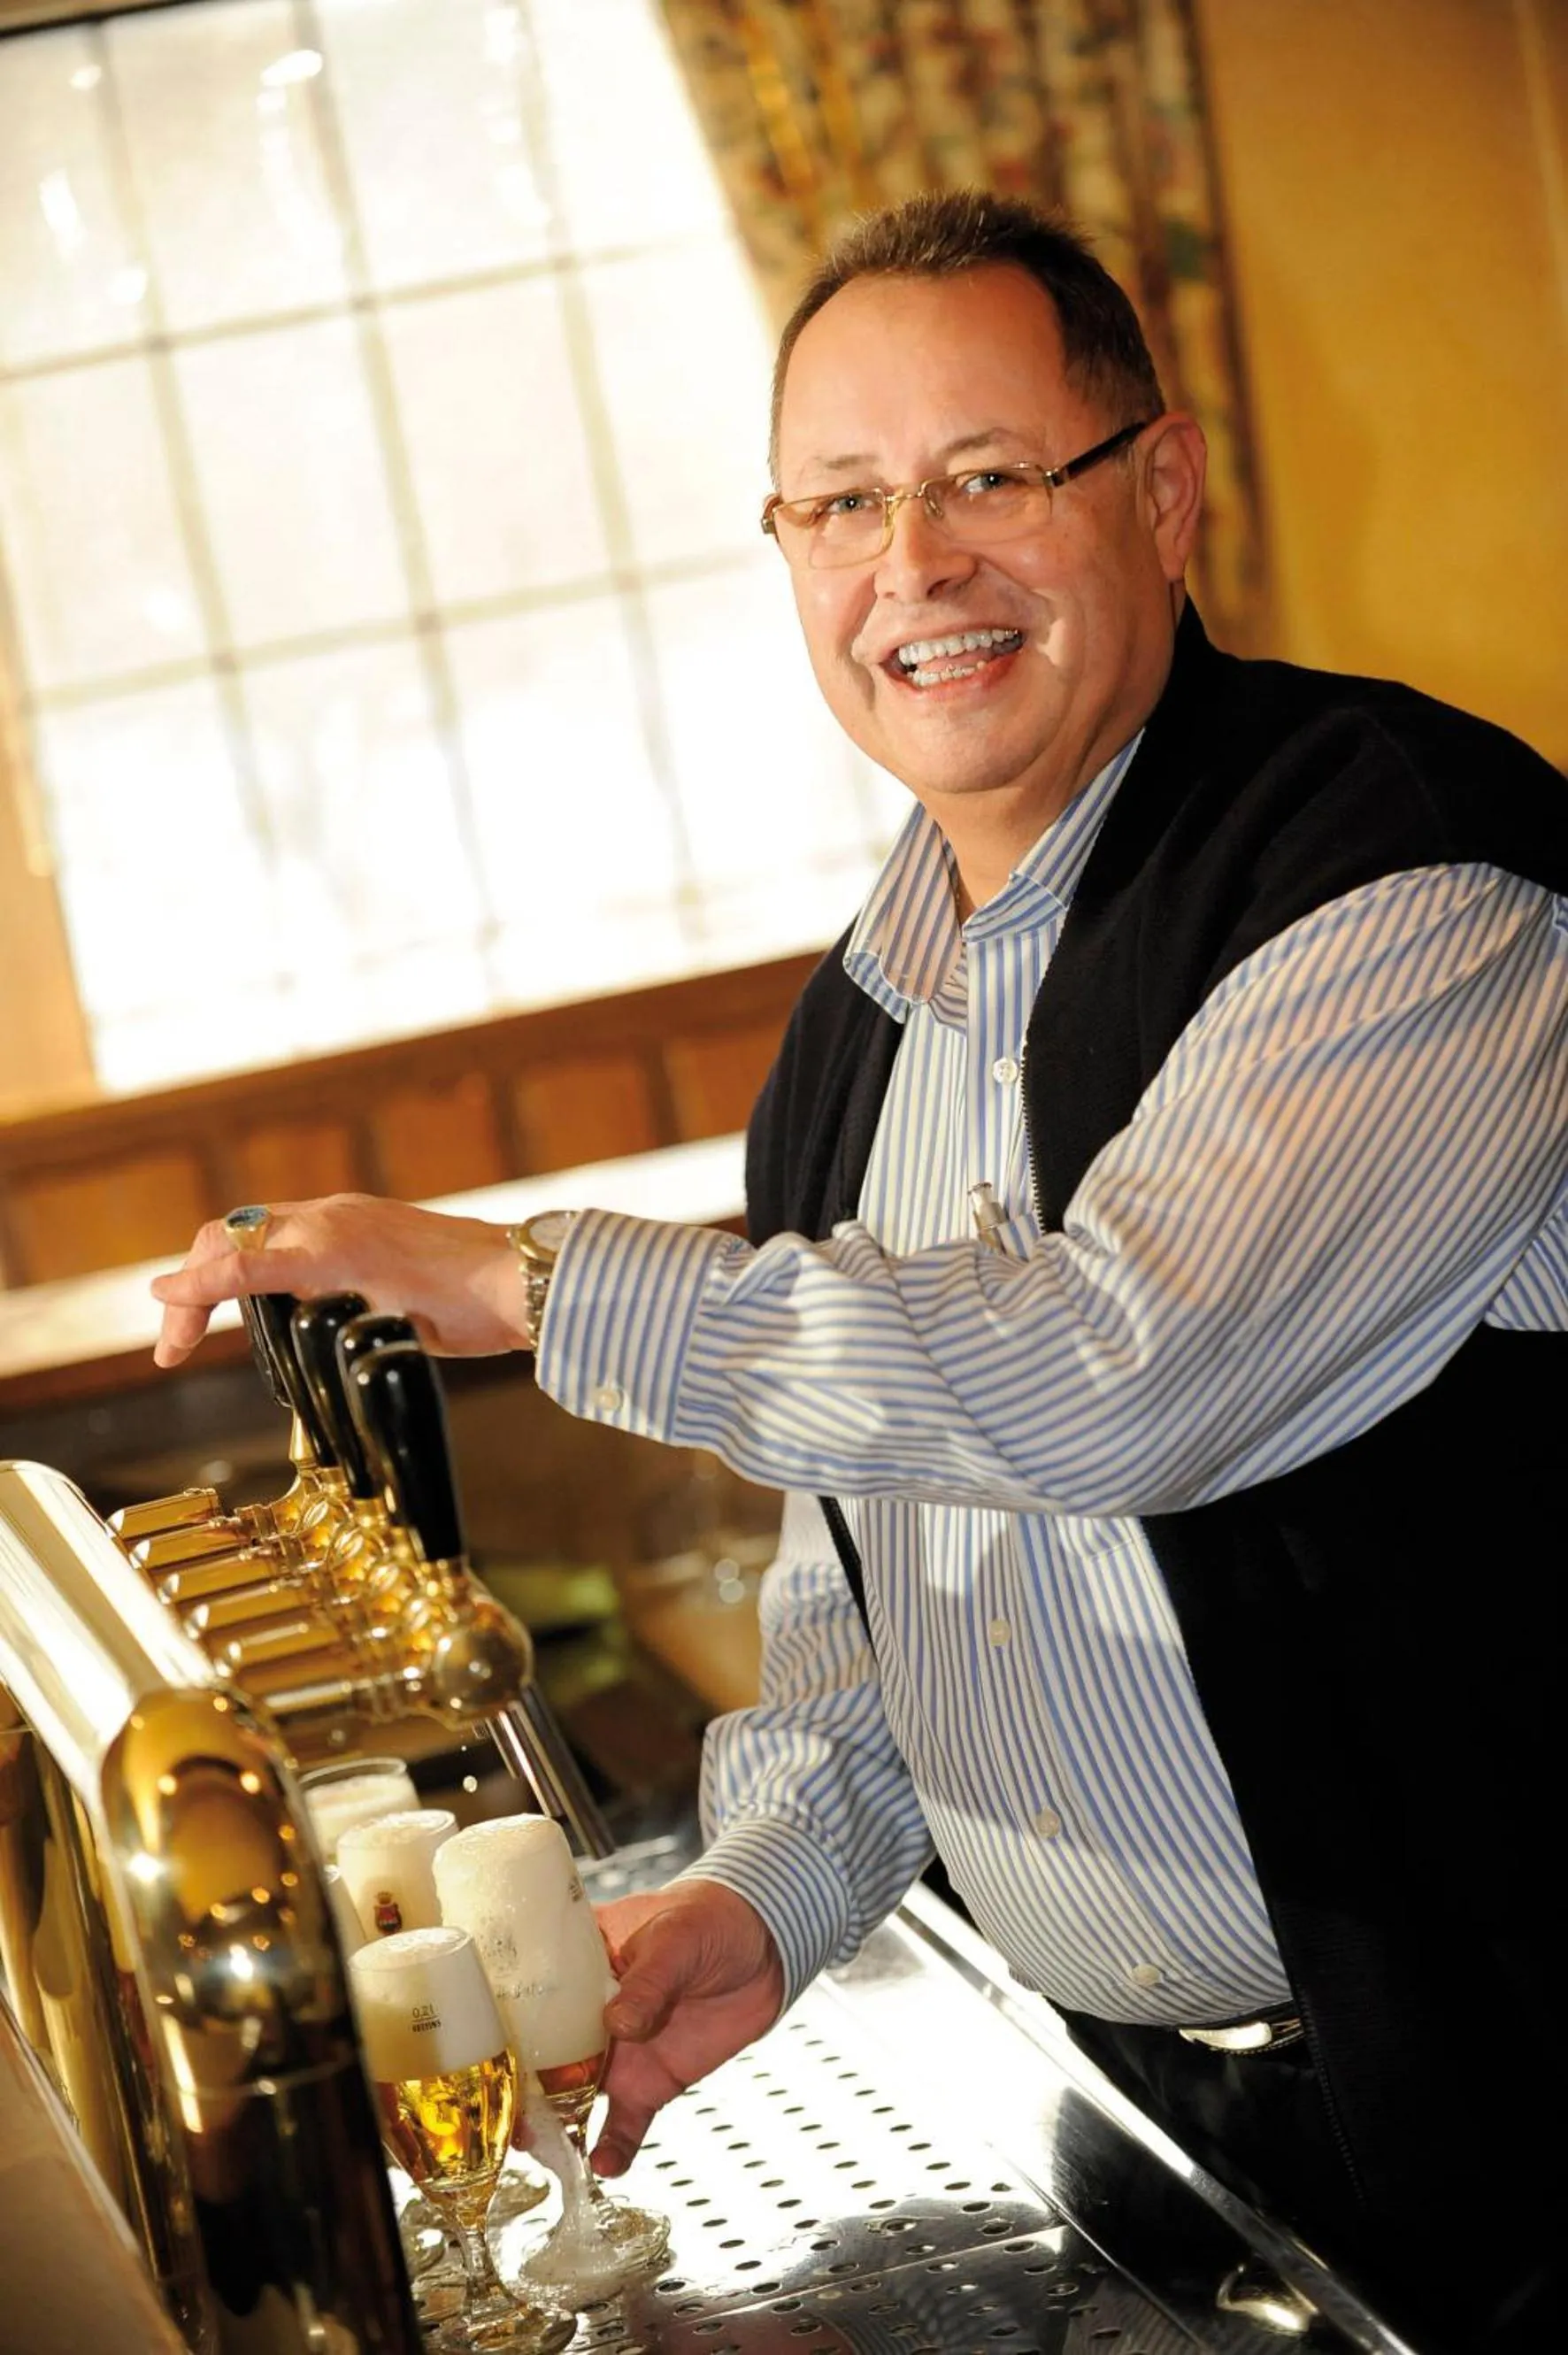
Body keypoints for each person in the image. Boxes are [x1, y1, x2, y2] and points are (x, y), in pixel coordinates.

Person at [151, 190, 1567, 2351]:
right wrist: (763, 1893)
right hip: (1152, 2127)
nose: (913, 563)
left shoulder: (1402, 877)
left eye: (990, 476)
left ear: (1163, 494)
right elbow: (867, 1603)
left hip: (1509, 2111)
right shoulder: (857, 1034)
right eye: (840, 503)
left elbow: (1119, 1375)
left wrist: (535, 1280)